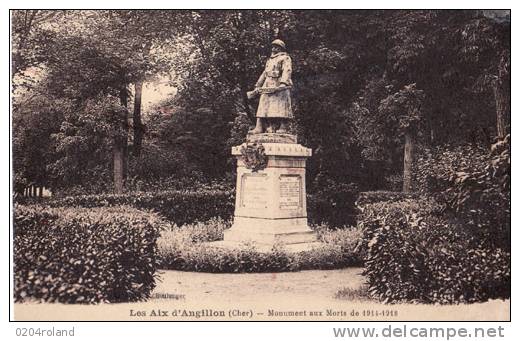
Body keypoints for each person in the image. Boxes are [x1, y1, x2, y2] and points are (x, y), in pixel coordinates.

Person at [248, 39, 293, 134]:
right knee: (263, 104)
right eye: (273, 46)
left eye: (276, 47)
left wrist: (283, 83)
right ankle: (259, 127)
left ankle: (283, 127)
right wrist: (258, 85)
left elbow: (287, 70)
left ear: (281, 48)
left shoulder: (285, 58)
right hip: (268, 83)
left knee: (281, 106)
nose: (274, 48)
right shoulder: (270, 60)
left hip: (279, 84)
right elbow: (264, 73)